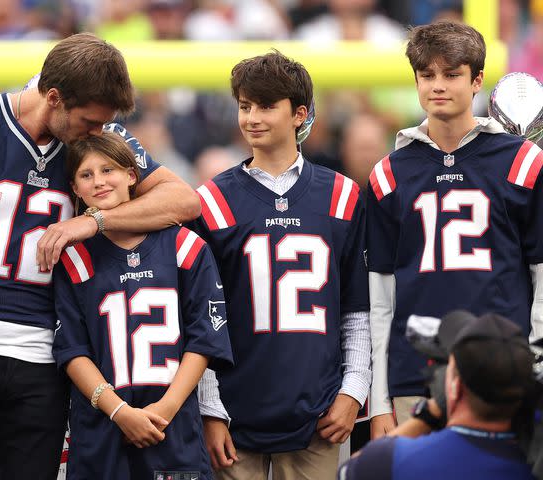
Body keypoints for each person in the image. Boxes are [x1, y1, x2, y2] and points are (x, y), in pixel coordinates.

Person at [0, 32, 200, 478]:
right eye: (89, 121)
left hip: (44, 354)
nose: (98, 133)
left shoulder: (99, 146)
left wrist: (92, 221)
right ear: (54, 98)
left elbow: (184, 201)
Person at [194, 51, 371, 479]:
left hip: (318, 412)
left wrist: (353, 390)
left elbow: (357, 308)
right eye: (245, 106)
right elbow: (201, 317)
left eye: (267, 105)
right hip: (236, 409)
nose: (252, 117)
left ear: (300, 114)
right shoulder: (212, 201)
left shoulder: (343, 196)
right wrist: (210, 407)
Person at [366, 21, 543, 439]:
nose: (437, 86)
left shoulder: (522, 162)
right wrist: (378, 402)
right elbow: (380, 298)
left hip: (503, 370)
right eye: (427, 75)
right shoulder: (388, 174)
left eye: (451, 74)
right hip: (415, 375)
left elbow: (541, 274)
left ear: (478, 79)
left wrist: (534, 362)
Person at [52, 132, 233, 479]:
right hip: (101, 429)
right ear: (74, 188)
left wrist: (166, 408)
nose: (99, 182)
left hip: (173, 426)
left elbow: (204, 338)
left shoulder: (185, 246)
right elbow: (72, 351)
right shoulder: (74, 258)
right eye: (86, 175)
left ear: (133, 175)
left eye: (108, 170)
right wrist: (119, 412)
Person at [338, 310, 537, 480]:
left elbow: (348, 472)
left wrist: (429, 414)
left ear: (455, 387)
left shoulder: (405, 459)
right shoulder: (534, 460)